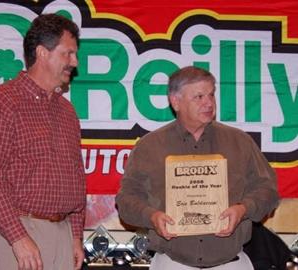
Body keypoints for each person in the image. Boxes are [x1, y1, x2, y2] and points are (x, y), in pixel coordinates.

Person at [115, 66, 279, 269]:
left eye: (211, 95)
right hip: (172, 263)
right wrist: (151, 216)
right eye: (199, 97)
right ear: (176, 102)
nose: (209, 103)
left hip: (231, 263)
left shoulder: (240, 142)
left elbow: (268, 191)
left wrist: (243, 209)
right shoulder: (149, 146)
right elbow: (126, 201)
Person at [0, 14, 86, 270]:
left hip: (63, 235)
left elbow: (77, 178)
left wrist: (76, 234)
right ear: (42, 53)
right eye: (67, 54)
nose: (74, 62)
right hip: (15, 233)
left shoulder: (67, 112)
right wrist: (18, 236)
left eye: (75, 54)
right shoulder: (0, 102)